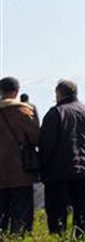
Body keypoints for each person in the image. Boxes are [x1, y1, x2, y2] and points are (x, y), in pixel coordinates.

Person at [39, 80, 85, 237]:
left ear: (59, 93)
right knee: (82, 215)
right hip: (84, 170)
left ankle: (58, 239)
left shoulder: (55, 113)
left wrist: (42, 166)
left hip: (57, 172)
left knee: (57, 215)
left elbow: (46, 144)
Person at [0, 77, 40, 235]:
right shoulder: (24, 111)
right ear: (16, 91)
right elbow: (36, 138)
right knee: (21, 213)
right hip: (21, 172)